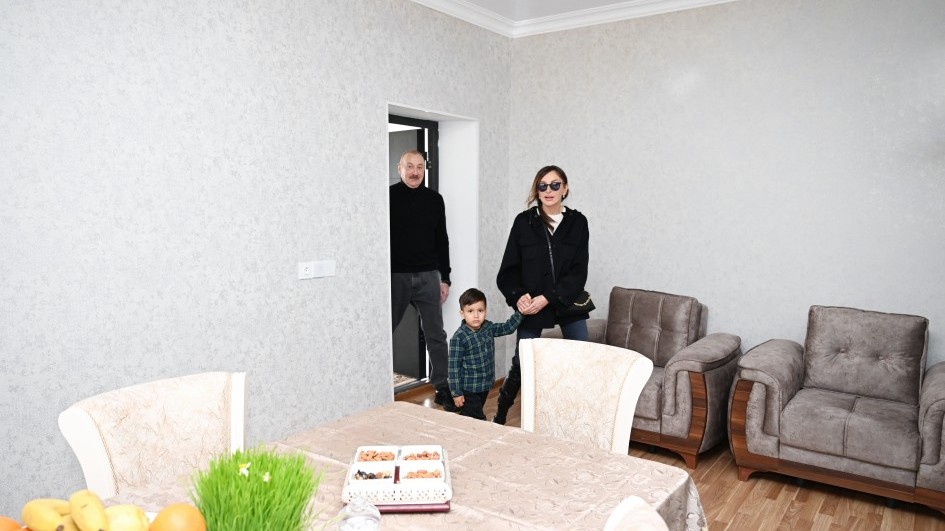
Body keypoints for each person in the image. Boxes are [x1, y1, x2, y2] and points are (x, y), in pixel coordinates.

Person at [493, 165, 590, 425]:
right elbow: (508, 271)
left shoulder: (578, 223)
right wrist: (519, 296)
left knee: (580, 358)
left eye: (555, 185)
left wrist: (547, 298)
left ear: (565, 189)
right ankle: (499, 416)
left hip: (566, 300)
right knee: (521, 361)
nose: (549, 190)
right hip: (531, 305)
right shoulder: (523, 222)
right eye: (543, 186)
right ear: (537, 190)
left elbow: (578, 272)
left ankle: (576, 421)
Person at [390, 150, 455, 411]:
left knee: (436, 334)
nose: (415, 172)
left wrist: (445, 277)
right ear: (399, 168)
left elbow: (442, 240)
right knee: (383, 332)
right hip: (395, 276)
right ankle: (376, 387)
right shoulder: (387, 197)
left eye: (419, 167)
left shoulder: (434, 200)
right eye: (409, 166)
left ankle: (442, 387)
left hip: (429, 275)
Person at [448, 288, 522, 420]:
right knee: (479, 420)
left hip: (484, 386)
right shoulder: (459, 338)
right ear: (462, 313)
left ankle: (460, 428)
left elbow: (507, 328)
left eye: (480, 310)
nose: (476, 315)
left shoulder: (488, 327)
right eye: (470, 311)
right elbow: (453, 368)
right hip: (468, 389)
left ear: (485, 312)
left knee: (469, 417)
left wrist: (521, 312)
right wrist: (456, 393)